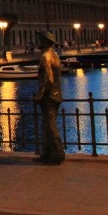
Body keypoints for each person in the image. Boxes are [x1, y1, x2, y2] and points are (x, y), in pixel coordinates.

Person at [32, 30, 65, 165]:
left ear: (44, 41)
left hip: (49, 97)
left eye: (40, 39)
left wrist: (39, 96)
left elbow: (47, 79)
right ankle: (47, 153)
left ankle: (58, 153)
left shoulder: (45, 56)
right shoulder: (55, 55)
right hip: (56, 94)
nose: (38, 41)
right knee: (47, 125)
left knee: (50, 125)